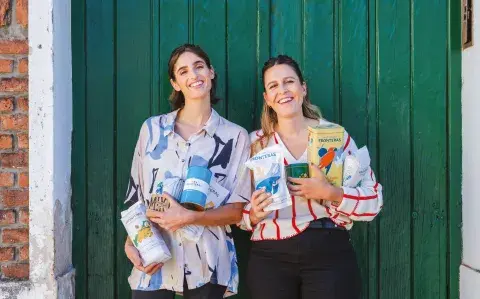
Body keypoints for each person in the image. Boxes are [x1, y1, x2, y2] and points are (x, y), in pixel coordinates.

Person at [236, 55, 383, 299]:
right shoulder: (254, 144)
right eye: (273, 86)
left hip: (328, 251)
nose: (282, 90)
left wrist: (330, 193)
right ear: (267, 98)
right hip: (270, 256)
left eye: (289, 82)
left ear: (303, 88)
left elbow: (374, 201)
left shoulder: (335, 137)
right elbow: (236, 209)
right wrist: (252, 214)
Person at [123, 44, 249, 299]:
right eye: (183, 71)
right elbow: (136, 197)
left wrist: (188, 217)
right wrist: (130, 242)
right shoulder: (152, 130)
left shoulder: (235, 136)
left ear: (211, 72)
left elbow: (237, 211)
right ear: (176, 83)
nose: (193, 75)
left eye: (199, 66)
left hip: (208, 262)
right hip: (154, 257)